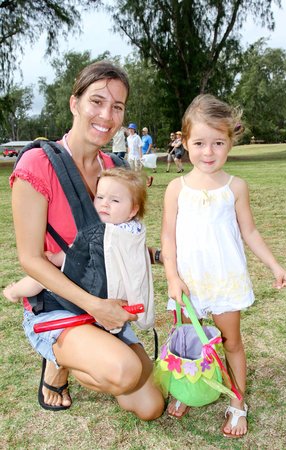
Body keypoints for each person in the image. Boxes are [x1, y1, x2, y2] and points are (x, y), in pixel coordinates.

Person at [8, 60, 165, 419]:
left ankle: (93, 351)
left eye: (117, 106)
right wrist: (95, 307)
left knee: (150, 406)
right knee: (124, 371)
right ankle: (56, 361)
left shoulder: (115, 168)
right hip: (59, 304)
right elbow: (31, 260)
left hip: (103, 302)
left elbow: (118, 241)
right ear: (74, 103)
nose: (107, 115)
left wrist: (160, 255)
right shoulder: (37, 164)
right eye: (97, 101)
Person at [161, 94, 286, 435]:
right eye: (200, 143)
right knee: (189, 340)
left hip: (225, 281)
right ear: (184, 143)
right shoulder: (176, 188)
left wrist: (275, 266)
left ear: (230, 142)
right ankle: (189, 388)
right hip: (188, 282)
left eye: (218, 142)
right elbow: (168, 238)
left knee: (230, 341)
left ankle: (237, 401)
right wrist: (172, 277)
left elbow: (249, 231)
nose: (208, 152)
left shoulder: (236, 187)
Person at [3, 168, 154, 332]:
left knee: (44, 277)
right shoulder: (134, 230)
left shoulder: (100, 231)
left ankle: (14, 292)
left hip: (95, 292)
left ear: (133, 210)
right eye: (100, 197)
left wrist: (53, 259)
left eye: (115, 201)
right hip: (117, 294)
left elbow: (73, 252)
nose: (105, 204)